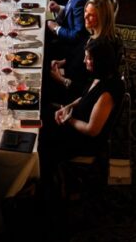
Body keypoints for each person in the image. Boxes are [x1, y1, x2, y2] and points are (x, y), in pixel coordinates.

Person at [41, 38, 124, 169]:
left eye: (88, 58)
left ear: (100, 61)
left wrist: (69, 120)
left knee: (43, 136)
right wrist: (68, 107)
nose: (84, 61)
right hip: (76, 120)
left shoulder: (107, 94)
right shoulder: (100, 75)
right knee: (43, 113)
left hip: (84, 140)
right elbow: (84, 98)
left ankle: (44, 175)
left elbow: (92, 130)